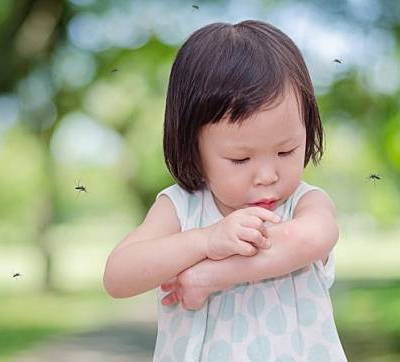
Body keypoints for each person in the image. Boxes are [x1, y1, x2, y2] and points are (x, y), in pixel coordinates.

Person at [103, 20, 347, 361]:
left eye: (286, 151)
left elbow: (313, 238)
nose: (267, 175)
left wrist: (212, 275)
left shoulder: (304, 203)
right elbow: (118, 276)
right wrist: (206, 240)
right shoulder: (181, 209)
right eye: (240, 158)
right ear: (192, 147)